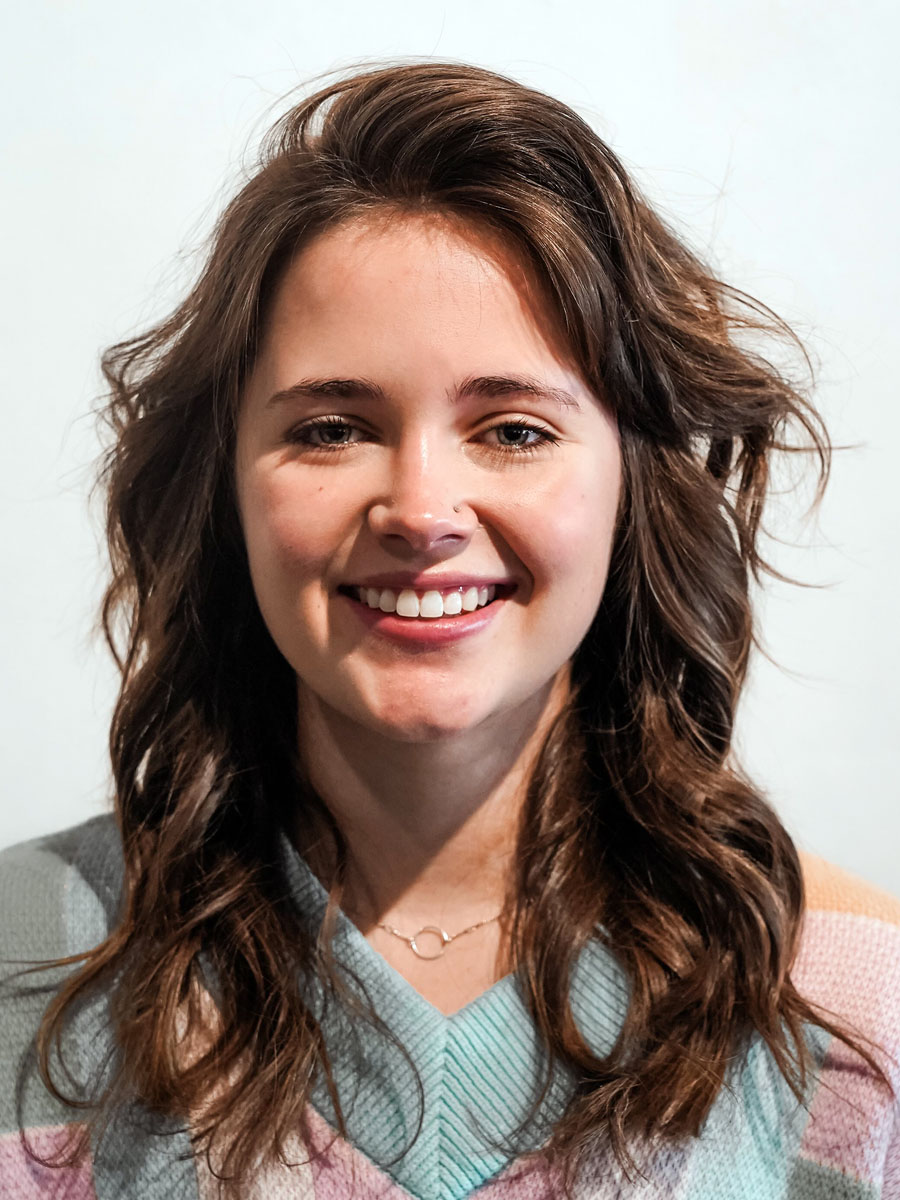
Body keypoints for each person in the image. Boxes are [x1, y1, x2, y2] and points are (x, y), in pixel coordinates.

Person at [1, 59, 898, 1200]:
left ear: (634, 485)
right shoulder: (20, 957)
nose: (421, 512)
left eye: (514, 430)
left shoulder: (858, 1011)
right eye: (332, 428)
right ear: (222, 487)